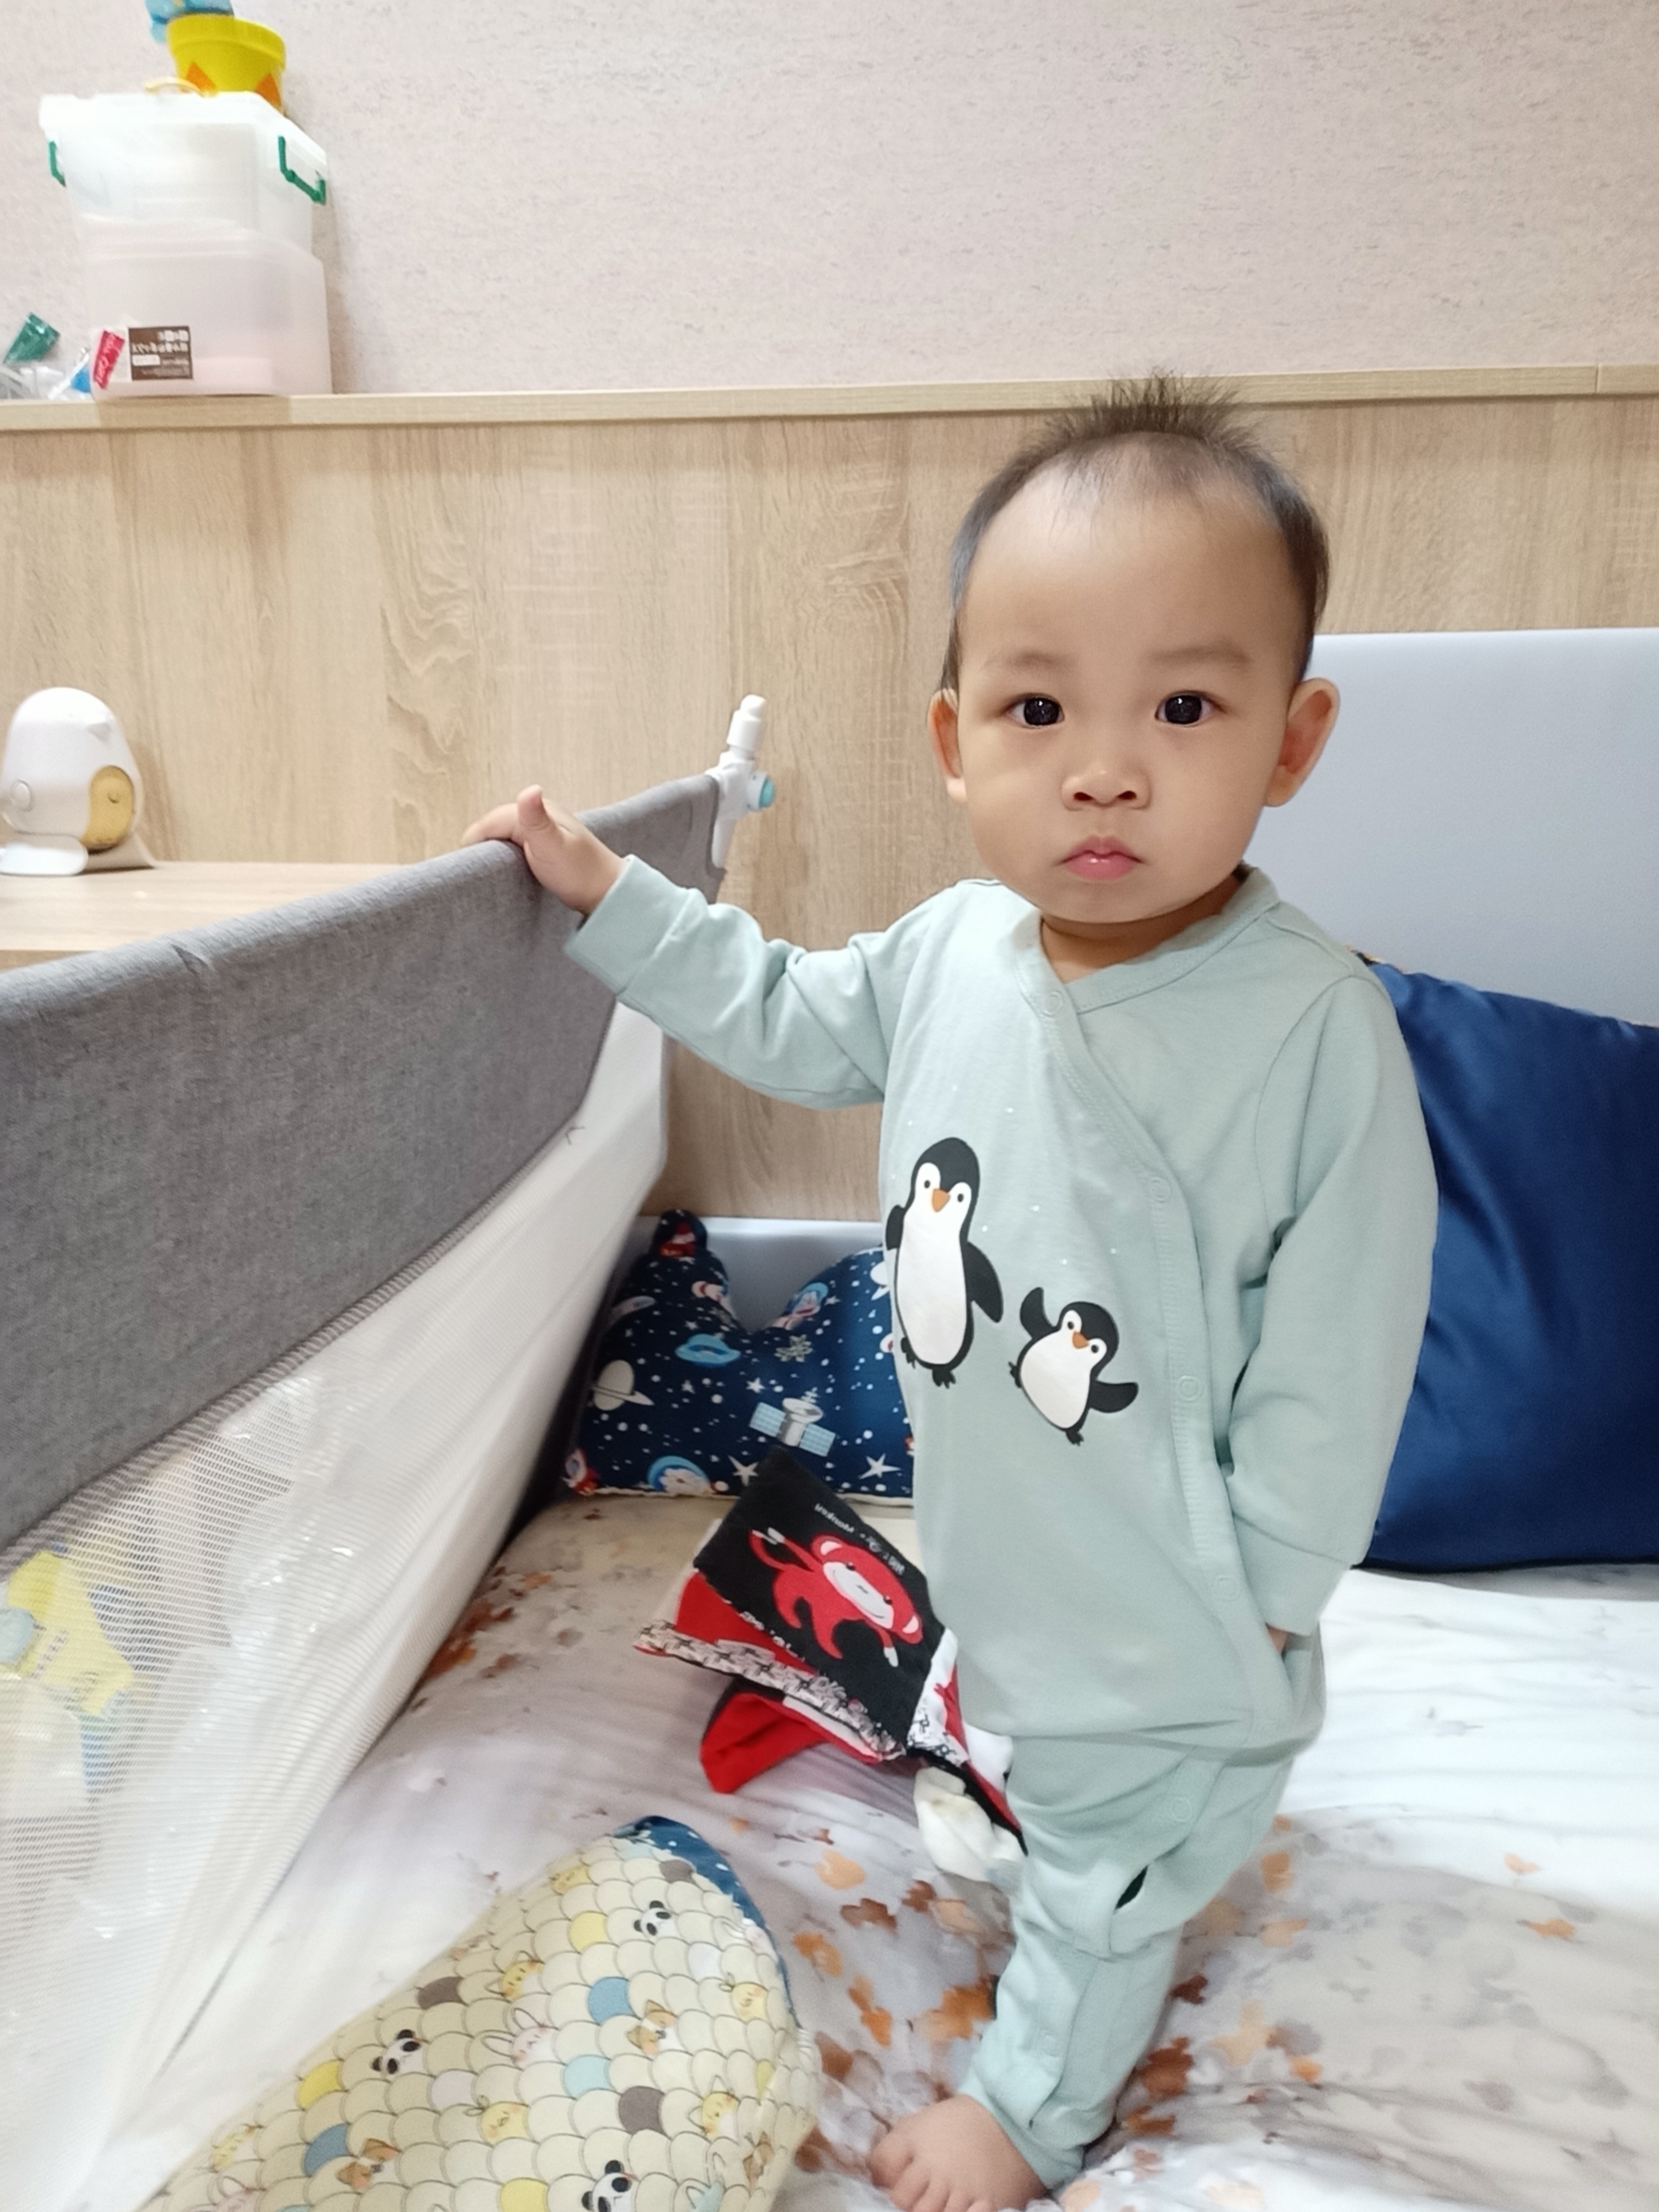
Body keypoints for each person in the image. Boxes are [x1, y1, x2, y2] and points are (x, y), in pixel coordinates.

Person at [464, 378, 1437, 2212]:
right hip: (1010, 1535)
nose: (1105, 768)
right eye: (1040, 708)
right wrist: (612, 900)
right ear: (955, 736)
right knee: (1048, 1754)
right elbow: (780, 1011)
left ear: (1293, 741)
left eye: (1185, 708)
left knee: (1110, 1870)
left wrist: (1267, 1592)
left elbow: (1344, 1341)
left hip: (1177, 1599)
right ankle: (1088, 1807)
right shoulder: (947, 952)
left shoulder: (1316, 1029)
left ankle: (1036, 2108)